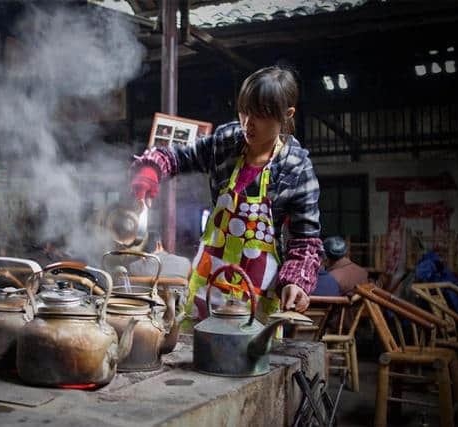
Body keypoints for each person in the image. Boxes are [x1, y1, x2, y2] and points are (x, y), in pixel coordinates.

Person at [129, 66, 322, 322]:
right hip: (208, 281)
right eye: (244, 111)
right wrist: (150, 170)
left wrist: (297, 282)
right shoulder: (226, 141)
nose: (248, 123)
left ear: (286, 115)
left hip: (258, 292)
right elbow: (178, 156)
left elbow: (305, 242)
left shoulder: (296, 167)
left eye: (261, 115)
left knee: (248, 356)